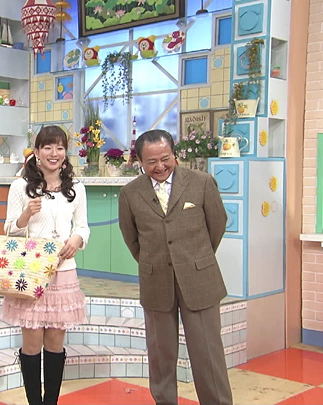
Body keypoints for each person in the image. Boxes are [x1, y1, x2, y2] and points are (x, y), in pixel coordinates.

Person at [118, 129, 233, 405]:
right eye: (151, 162)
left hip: (200, 279)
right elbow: (132, 239)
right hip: (156, 281)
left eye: (165, 159)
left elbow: (217, 225)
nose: (160, 167)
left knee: (208, 355)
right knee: (160, 356)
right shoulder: (130, 193)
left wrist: (195, 259)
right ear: (140, 162)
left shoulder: (202, 183)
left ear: (175, 154)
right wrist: (155, 262)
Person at [1, 126, 89, 405]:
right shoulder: (20, 186)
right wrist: (26, 214)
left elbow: (83, 227)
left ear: (65, 152)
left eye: (60, 148)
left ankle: (51, 401)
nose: (54, 153)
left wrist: (76, 239)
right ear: (37, 152)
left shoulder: (76, 188)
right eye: (48, 147)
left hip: (64, 273)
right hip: (32, 272)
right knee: (32, 343)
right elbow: (9, 229)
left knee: (55, 343)